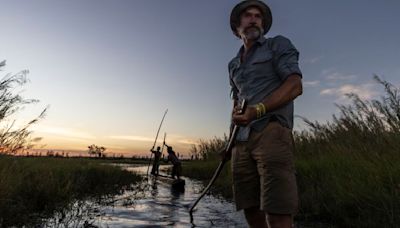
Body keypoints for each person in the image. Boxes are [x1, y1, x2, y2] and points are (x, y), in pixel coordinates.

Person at [227, 1, 303, 228]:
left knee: (277, 208)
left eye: (258, 16)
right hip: (240, 142)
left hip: (271, 132)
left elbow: (294, 85)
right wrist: (228, 143)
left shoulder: (277, 45)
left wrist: (257, 110)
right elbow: (236, 103)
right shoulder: (232, 65)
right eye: (247, 16)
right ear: (237, 27)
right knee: (250, 207)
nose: (253, 19)